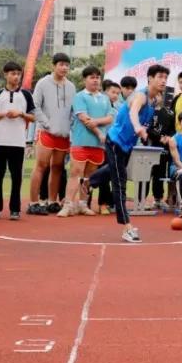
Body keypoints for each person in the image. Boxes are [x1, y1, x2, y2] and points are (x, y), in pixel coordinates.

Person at [104, 64, 171, 243]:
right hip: (116, 142)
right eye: (160, 77)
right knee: (120, 183)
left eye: (166, 77)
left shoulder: (155, 99)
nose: (163, 80)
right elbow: (134, 112)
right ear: (150, 78)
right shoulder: (140, 96)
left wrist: (146, 133)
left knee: (113, 171)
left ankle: (89, 181)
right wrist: (137, 127)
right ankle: (127, 227)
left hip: (127, 145)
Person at [60, 66, 115, 217]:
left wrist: (96, 123)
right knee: (75, 173)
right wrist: (99, 132)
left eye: (97, 77)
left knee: (89, 176)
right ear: (85, 79)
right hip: (81, 141)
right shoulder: (80, 96)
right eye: (92, 77)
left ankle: (83, 205)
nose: (95, 80)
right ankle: (68, 205)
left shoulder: (105, 98)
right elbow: (83, 118)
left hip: (97, 144)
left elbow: (110, 118)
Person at [0, 62, 35, 220]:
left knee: (17, 177)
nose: (16, 77)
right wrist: (2, 115)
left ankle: (15, 209)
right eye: (13, 73)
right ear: (5, 75)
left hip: (18, 143)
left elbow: (33, 117)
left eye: (18, 74)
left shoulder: (26, 95)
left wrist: (20, 113)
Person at [28, 52, 77, 215]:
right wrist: (47, 124)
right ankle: (34, 202)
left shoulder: (71, 86)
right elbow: (34, 106)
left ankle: (52, 200)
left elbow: (72, 110)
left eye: (67, 65)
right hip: (46, 132)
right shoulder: (43, 83)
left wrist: (69, 126)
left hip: (63, 134)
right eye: (61, 64)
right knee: (41, 166)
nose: (64, 68)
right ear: (53, 66)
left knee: (57, 167)